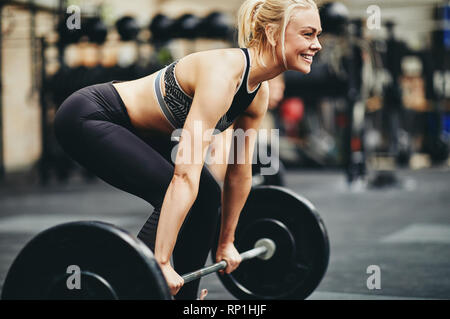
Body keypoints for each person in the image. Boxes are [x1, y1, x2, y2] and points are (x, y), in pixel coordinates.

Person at [54, 0, 322, 299]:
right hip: (90, 116)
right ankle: (138, 284)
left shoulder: (258, 93)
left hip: (137, 129)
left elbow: (239, 174)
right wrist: (163, 262)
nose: (317, 45)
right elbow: (183, 174)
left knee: (207, 196)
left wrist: (226, 243)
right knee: (177, 188)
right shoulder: (223, 74)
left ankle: (185, 298)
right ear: (273, 33)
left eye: (317, 35)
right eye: (308, 34)